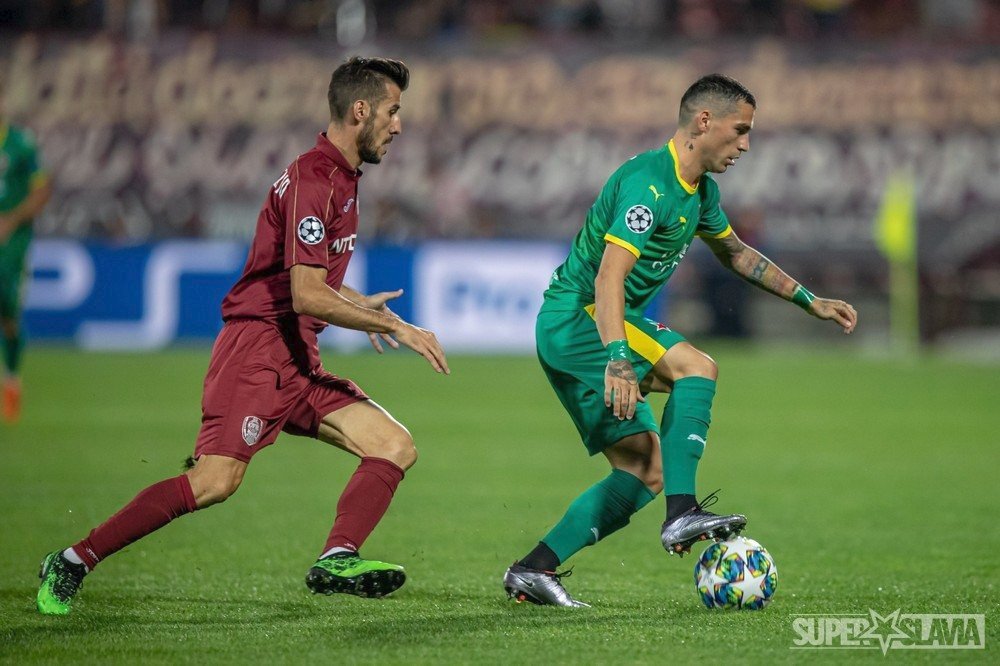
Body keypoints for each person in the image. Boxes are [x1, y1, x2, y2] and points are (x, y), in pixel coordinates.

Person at [36, 56, 450, 616]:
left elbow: (314, 284)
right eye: (393, 111)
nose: (398, 125)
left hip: (297, 355)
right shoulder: (314, 180)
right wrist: (393, 325)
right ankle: (74, 559)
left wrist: (357, 302)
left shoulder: (341, 180)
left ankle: (338, 557)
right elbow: (305, 294)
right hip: (258, 349)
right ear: (361, 110)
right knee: (214, 481)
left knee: (393, 445)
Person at [503, 74, 857, 607]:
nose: (745, 145)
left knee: (646, 470)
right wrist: (619, 360)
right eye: (740, 131)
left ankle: (534, 569)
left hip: (586, 326)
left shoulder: (701, 191)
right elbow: (607, 279)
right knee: (698, 367)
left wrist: (811, 301)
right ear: (704, 122)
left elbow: (736, 253)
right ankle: (683, 512)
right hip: (581, 319)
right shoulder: (649, 183)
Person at [0, 81, 53, 423]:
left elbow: (42, 189)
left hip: (12, 247)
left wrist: (10, 220)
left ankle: (12, 382)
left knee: (8, 315)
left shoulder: (20, 144)